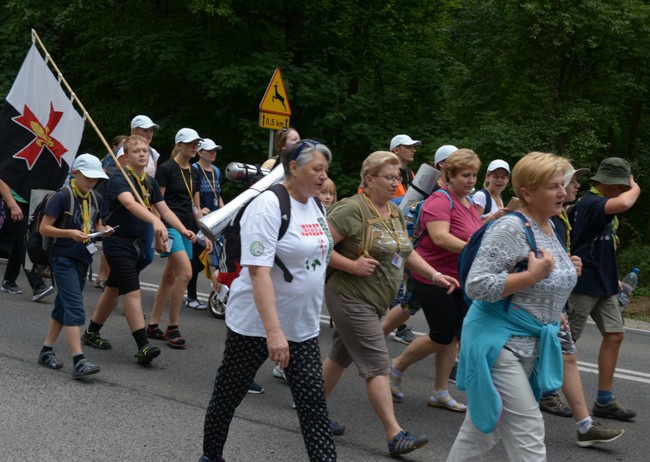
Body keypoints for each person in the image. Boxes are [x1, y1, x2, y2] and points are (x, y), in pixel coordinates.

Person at [199, 140, 337, 462]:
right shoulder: (268, 206)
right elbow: (259, 274)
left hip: (301, 327)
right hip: (256, 326)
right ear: (293, 168)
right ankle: (211, 456)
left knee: (313, 407)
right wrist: (274, 334)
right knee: (228, 395)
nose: (323, 177)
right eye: (317, 169)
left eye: (325, 170)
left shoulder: (316, 205)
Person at [322, 151, 459, 457]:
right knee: (377, 364)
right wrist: (350, 265)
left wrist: (436, 276)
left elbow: (407, 253)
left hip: (374, 301)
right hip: (349, 297)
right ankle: (394, 434)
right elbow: (317, 247)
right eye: (389, 177)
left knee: (340, 355)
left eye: (397, 177)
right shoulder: (350, 209)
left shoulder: (394, 212)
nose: (396, 182)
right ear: (369, 180)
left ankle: (311, 411)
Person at [447, 151, 577, 461]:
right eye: (553, 187)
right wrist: (532, 276)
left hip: (529, 343)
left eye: (563, 185)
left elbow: (541, 280)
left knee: (482, 430)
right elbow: (476, 285)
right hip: (498, 343)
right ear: (527, 193)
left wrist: (561, 280)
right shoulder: (510, 228)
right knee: (529, 430)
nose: (562, 193)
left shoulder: (550, 227)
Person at [81, 135, 197, 365]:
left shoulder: (150, 182)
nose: (142, 154)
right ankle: (143, 346)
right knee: (132, 291)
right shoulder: (117, 179)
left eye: (145, 150)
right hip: (118, 243)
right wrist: (155, 223)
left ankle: (91, 332)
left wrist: (183, 229)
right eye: (136, 151)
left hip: (137, 244)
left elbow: (164, 209)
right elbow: (130, 204)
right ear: (125, 157)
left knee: (113, 290)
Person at [538, 165, 625, 447]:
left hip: (591, 287)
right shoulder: (583, 206)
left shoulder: (561, 216)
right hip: (570, 292)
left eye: (574, 182)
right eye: (569, 181)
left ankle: (591, 415)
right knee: (556, 350)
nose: (574, 186)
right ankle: (541, 393)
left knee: (569, 353)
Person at [390, 149, 483, 413]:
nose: (471, 180)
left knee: (453, 334)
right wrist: (474, 250)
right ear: (449, 174)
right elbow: (441, 237)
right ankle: (396, 366)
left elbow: (472, 234)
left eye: (474, 175)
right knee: (442, 334)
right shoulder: (440, 200)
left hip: (459, 278)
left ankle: (440, 392)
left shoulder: (467, 203)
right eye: (465, 175)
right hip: (431, 276)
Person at [567, 157, 640, 422]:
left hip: (605, 285)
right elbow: (624, 202)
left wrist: (617, 282)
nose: (622, 189)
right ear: (605, 183)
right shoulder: (591, 203)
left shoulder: (604, 208)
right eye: (619, 184)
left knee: (615, 334)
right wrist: (635, 187)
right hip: (583, 284)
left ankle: (605, 400)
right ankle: (543, 391)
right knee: (565, 342)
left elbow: (603, 247)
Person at [37, 154, 112, 378]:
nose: (92, 182)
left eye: (96, 178)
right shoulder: (62, 196)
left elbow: (97, 223)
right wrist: (69, 233)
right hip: (63, 258)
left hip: (83, 259)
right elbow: (44, 228)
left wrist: (104, 229)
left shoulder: (96, 197)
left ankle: (46, 350)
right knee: (74, 306)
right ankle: (78, 360)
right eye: (88, 177)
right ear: (76, 173)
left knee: (63, 306)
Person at [380, 143, 458, 344]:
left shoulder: (455, 188)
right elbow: (409, 217)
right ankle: (371, 343)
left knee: (412, 304)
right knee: (411, 302)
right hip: (425, 254)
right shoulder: (431, 188)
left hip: (441, 258)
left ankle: (371, 341)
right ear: (442, 164)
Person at [148, 128, 205, 349]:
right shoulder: (166, 169)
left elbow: (196, 207)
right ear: (178, 145)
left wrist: (204, 233)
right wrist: (158, 227)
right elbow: (156, 202)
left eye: (196, 143)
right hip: (170, 228)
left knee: (169, 277)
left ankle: (152, 325)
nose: (194, 146)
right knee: (186, 273)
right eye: (190, 143)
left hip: (186, 229)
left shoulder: (194, 172)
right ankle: (173, 327)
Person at [186, 138, 225, 311]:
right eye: (210, 150)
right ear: (200, 152)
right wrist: (200, 211)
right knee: (196, 260)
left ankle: (219, 294)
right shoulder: (194, 170)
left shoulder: (216, 171)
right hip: (200, 221)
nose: (213, 152)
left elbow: (218, 194)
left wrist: (226, 212)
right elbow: (192, 196)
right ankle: (191, 297)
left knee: (214, 258)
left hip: (215, 221)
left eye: (215, 150)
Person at [0, 179, 54, 301]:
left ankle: (9, 280)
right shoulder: (12, 161)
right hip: (16, 203)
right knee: (26, 241)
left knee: (19, 242)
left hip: (34, 201)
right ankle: (38, 286)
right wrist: (11, 204)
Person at [95, 134, 129, 290]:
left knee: (111, 241)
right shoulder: (109, 166)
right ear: (115, 148)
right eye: (122, 147)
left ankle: (105, 276)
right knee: (110, 240)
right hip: (109, 204)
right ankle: (104, 276)